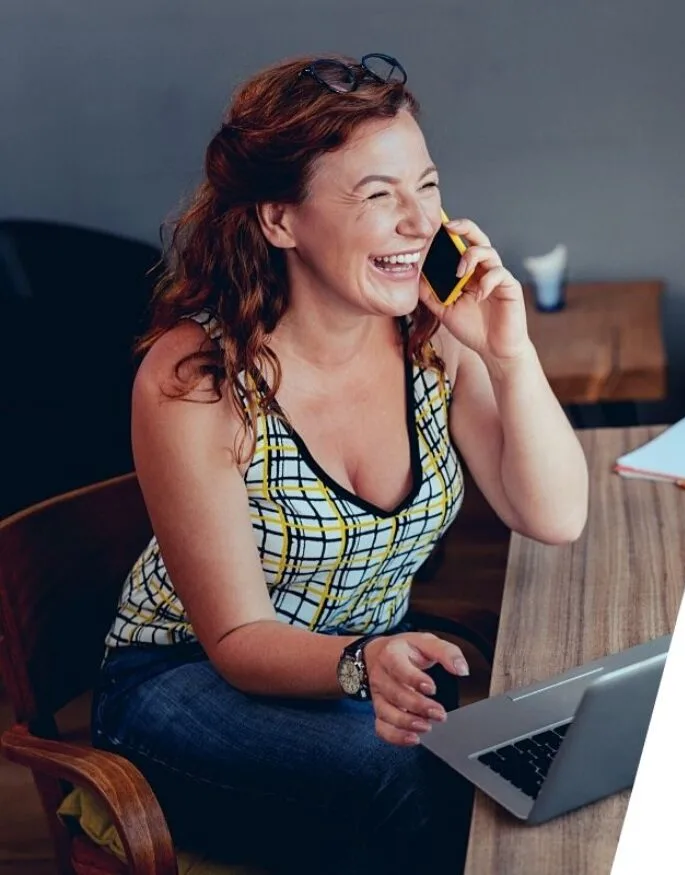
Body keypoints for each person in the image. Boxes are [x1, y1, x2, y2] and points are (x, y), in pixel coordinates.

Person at [91, 51, 589, 875]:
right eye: (376, 195)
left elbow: (553, 515)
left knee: (529, 758)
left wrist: (509, 354)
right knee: (414, 781)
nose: (418, 221)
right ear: (280, 220)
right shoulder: (196, 380)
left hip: (362, 672)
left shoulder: (434, 338)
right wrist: (360, 660)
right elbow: (239, 638)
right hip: (179, 684)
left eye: (426, 186)